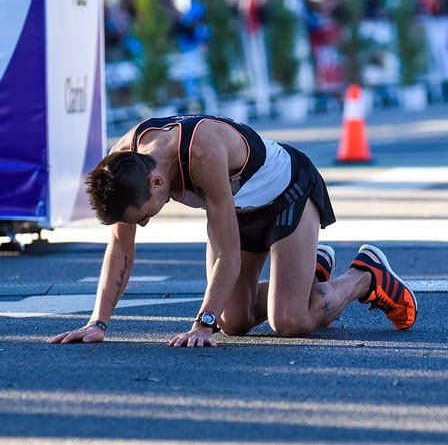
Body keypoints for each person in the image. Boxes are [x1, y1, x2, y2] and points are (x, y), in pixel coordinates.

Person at [48, 115, 417, 347]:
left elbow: (227, 253)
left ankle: (364, 276)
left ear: (157, 181)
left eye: (143, 216)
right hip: (240, 210)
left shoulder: (202, 153)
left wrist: (201, 324)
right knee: (234, 322)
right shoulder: (123, 162)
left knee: (288, 321)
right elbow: (120, 249)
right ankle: (307, 275)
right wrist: (98, 323)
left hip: (288, 196)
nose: (142, 224)